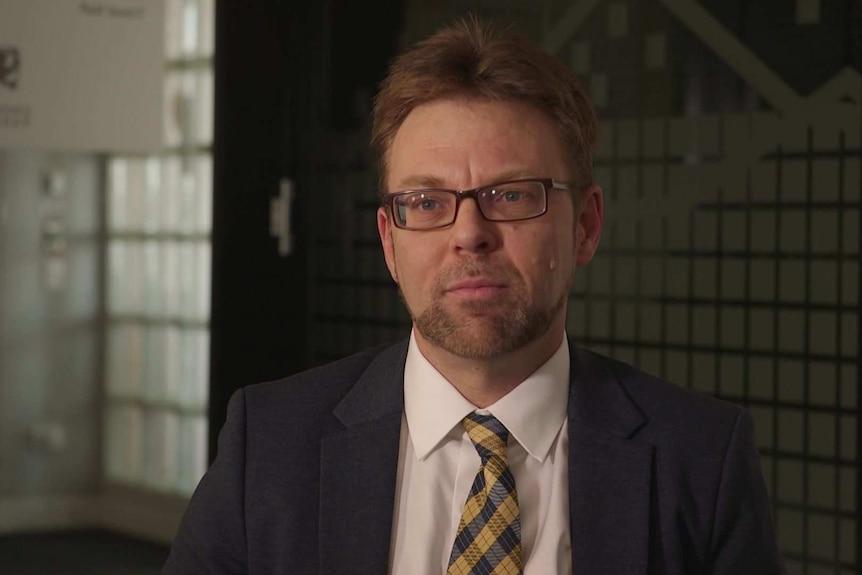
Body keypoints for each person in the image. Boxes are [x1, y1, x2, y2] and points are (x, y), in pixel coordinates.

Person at [163, 15, 785, 575]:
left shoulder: (702, 459)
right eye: (427, 203)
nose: (469, 235)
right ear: (389, 240)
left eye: (512, 195)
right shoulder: (268, 445)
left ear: (586, 226)